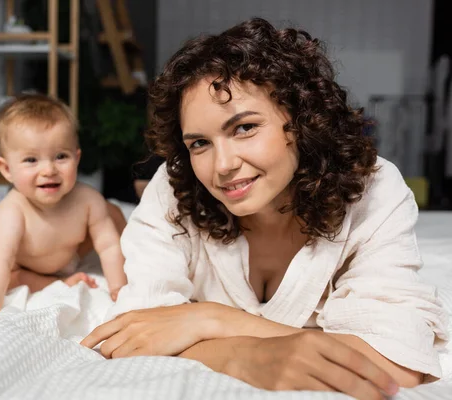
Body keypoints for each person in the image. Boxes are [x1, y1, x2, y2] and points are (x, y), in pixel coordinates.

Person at [81, 18, 449, 398]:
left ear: (301, 119)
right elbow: (135, 335)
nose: (222, 165)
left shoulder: (374, 190)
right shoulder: (175, 187)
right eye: (199, 144)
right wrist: (245, 356)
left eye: (244, 128)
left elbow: (394, 366)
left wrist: (212, 320)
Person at [0, 94, 127, 321]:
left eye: (60, 156)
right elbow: (0, 261)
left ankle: (130, 259)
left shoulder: (87, 199)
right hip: (27, 267)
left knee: (110, 212)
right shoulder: (13, 209)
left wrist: (120, 289)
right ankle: (57, 283)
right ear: (6, 169)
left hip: (68, 255)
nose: (48, 170)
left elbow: (108, 247)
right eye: (31, 160)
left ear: (76, 158)